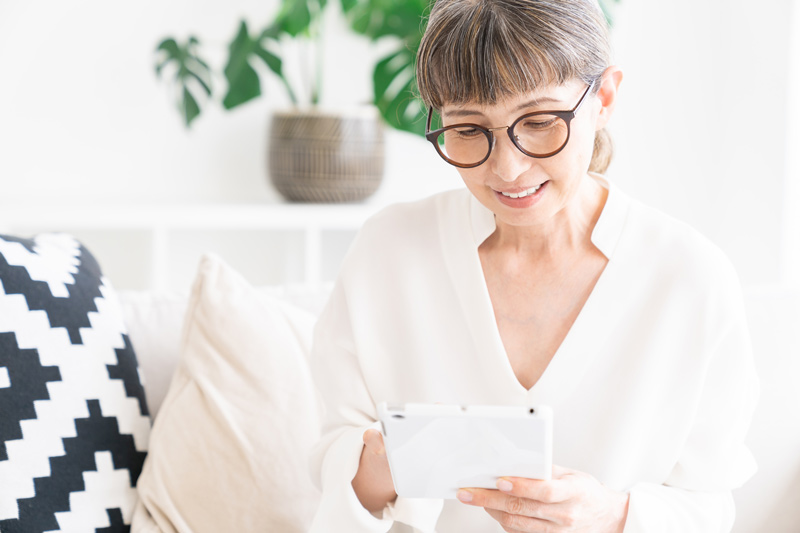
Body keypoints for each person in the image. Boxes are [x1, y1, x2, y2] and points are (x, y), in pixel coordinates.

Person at [308, 0, 759, 531]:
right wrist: (391, 463)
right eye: (470, 129)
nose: (507, 168)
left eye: (541, 121)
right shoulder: (390, 252)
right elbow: (334, 469)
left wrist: (612, 516)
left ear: (604, 98)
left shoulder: (688, 278)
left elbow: (709, 505)